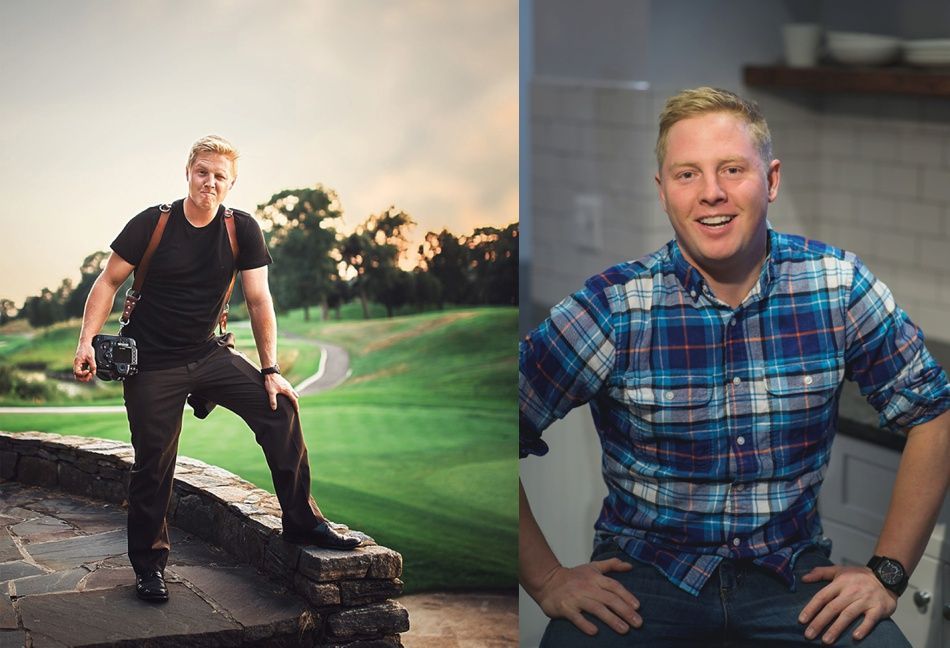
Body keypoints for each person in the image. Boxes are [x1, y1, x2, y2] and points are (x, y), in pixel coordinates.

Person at [520, 87, 950, 646]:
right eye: (688, 174)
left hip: (792, 578)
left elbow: (933, 413)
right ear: (663, 191)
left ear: (771, 180)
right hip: (644, 580)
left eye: (731, 169)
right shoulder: (612, 308)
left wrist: (887, 573)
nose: (711, 193)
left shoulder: (837, 287)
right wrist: (547, 578)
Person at [73, 135, 361, 603]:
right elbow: (107, 282)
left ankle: (302, 522)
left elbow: (259, 299)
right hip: (151, 363)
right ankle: (149, 567)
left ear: (231, 184)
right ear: (188, 173)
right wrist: (86, 340)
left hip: (208, 353)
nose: (210, 182)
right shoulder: (153, 223)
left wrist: (271, 369)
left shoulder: (241, 229)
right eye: (202, 172)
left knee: (279, 408)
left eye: (219, 176)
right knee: (154, 463)